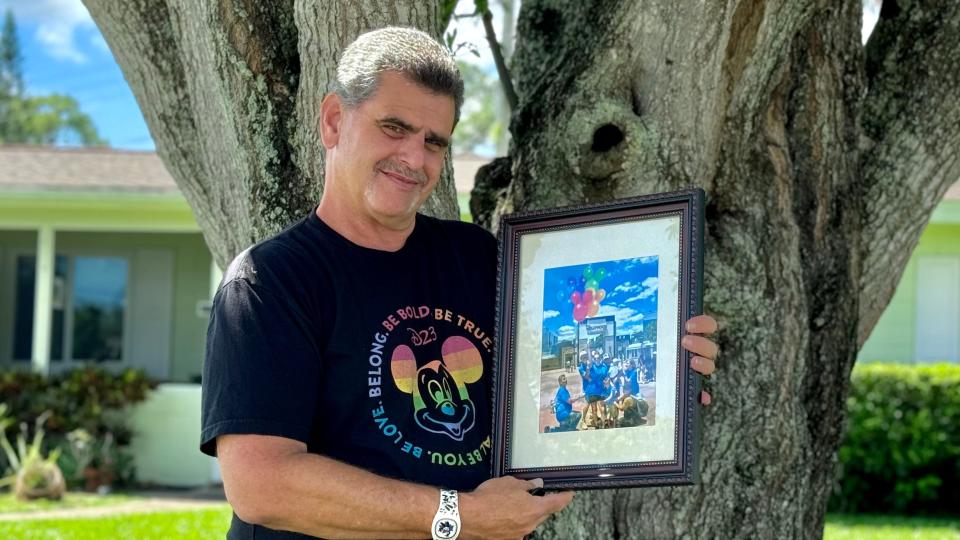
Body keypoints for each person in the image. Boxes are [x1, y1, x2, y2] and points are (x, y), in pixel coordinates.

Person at [200, 26, 720, 540]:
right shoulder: (271, 283)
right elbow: (262, 484)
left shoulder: (481, 260)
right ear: (334, 120)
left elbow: (550, 384)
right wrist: (458, 517)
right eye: (394, 127)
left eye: (434, 142)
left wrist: (665, 368)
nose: (414, 157)